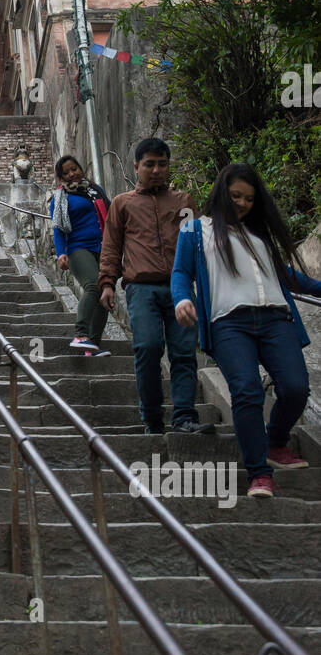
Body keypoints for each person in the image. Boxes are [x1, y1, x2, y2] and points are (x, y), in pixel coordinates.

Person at [172, 163, 321, 496]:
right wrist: (182, 299)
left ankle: (276, 442)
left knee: (296, 388)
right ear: (221, 192)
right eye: (235, 195)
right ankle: (259, 473)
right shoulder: (196, 230)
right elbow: (181, 272)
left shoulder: (259, 237)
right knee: (247, 390)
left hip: (275, 319)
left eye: (249, 199)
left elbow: (289, 278)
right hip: (229, 323)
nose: (241, 203)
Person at [98, 137, 213, 435]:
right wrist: (107, 283)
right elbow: (111, 247)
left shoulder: (183, 202)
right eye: (149, 164)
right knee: (147, 348)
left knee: (184, 353)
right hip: (141, 289)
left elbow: (197, 243)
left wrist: (206, 285)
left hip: (181, 289)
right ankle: (151, 418)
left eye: (162, 164)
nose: (157, 170)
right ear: (136, 166)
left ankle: (185, 416)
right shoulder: (123, 204)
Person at [49, 154, 111, 358]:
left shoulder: (95, 190)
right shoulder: (61, 197)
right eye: (65, 172)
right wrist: (61, 253)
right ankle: (80, 334)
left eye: (74, 169)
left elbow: (113, 213)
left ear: (80, 168)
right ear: (61, 177)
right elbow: (58, 228)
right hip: (77, 248)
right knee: (93, 285)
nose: (71, 174)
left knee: (105, 293)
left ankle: (92, 346)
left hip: (102, 247)